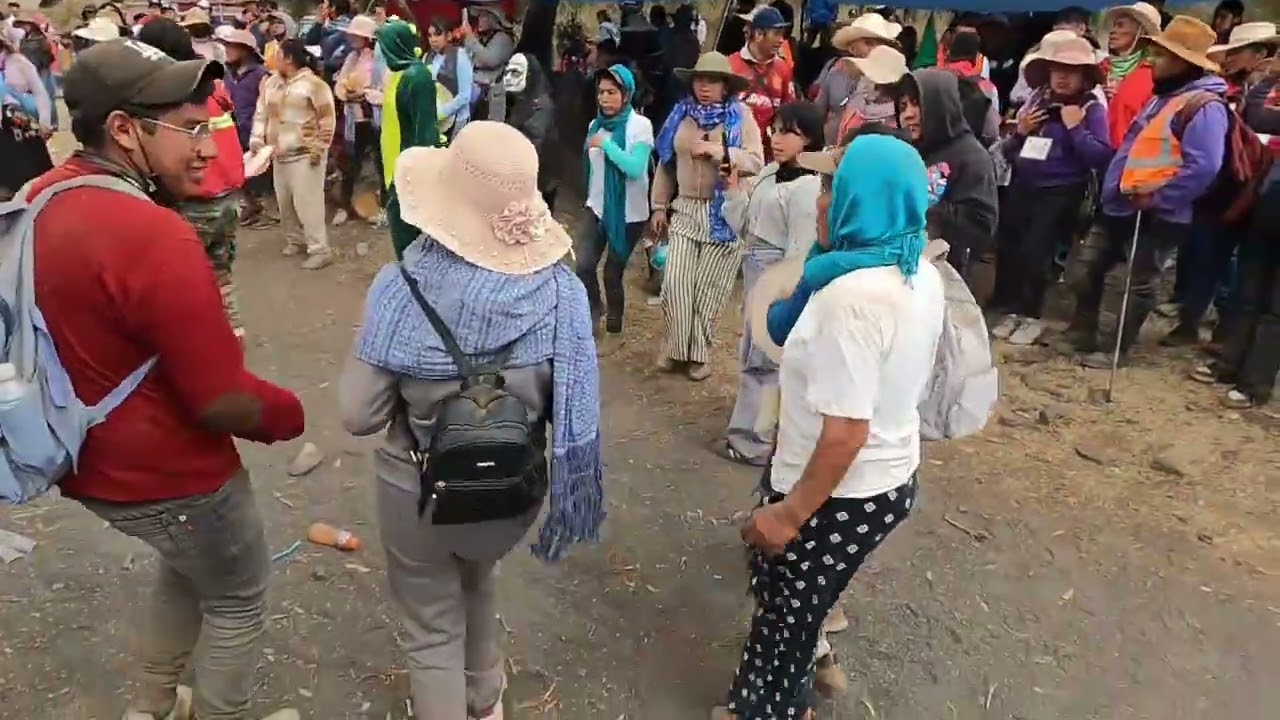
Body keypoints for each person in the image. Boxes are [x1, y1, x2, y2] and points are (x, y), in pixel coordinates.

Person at [34, 38, 304, 720]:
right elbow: (219, 399)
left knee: (187, 567)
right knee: (238, 592)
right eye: (189, 129)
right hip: (167, 472)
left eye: (209, 125)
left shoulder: (41, 196)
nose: (210, 149)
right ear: (124, 130)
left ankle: (152, 705)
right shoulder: (151, 233)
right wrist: (288, 414)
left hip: (84, 454)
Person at [339, 120, 604, 720]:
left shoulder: (401, 285)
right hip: (513, 487)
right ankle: (486, 703)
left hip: (420, 489)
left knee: (432, 625)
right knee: (478, 578)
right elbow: (574, 408)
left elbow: (358, 414)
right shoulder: (563, 293)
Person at [714, 131, 941, 720]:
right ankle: (810, 658)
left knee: (784, 616)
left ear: (866, 199)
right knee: (795, 598)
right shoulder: (916, 268)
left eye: (836, 187)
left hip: (839, 485)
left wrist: (789, 514)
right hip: (888, 479)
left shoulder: (851, 298)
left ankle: (767, 710)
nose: (821, 199)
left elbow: (845, 432)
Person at [1064, 17, 1228, 369]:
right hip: (1121, 204)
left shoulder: (1205, 107)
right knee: (1085, 268)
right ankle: (1084, 330)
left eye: (1161, 55)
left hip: (1157, 213)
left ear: (1184, 62)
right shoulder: (1165, 97)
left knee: (1137, 285)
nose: (1152, 61)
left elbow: (1204, 167)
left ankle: (1115, 351)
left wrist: (1158, 198)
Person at [1163, 21, 1280, 348]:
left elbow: (1259, 120)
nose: (1228, 58)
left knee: (1237, 263)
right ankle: (1192, 322)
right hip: (1227, 182)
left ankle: (1225, 333)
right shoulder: (1226, 87)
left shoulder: (1258, 90)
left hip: (1258, 186)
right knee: (1208, 254)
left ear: (1259, 54)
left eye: (1236, 52)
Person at [719, 101, 823, 467]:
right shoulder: (768, 174)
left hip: (778, 277)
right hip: (755, 270)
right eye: (775, 130)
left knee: (767, 359)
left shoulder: (808, 188)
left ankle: (757, 440)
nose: (778, 139)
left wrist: (786, 292)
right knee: (753, 353)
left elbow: (800, 247)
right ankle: (750, 432)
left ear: (809, 138)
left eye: (789, 132)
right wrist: (733, 189)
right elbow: (744, 224)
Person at [651, 52, 765, 381]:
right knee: (676, 283)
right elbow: (666, 161)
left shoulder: (741, 116)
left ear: (725, 86)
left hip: (724, 211)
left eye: (712, 81)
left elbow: (756, 161)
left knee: (709, 288)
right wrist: (659, 205)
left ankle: (699, 352)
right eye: (700, 80)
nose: (704, 87)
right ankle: (675, 347)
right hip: (686, 206)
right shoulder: (680, 116)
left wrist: (720, 152)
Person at [993, 36, 1112, 347]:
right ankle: (1016, 310)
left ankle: (1033, 315)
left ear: (1085, 77)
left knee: (1038, 253)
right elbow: (1009, 152)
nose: (1062, 76)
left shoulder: (1091, 109)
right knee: (1015, 250)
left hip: (1061, 190)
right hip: (1024, 184)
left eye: (1071, 71)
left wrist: (1076, 128)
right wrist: (1020, 132)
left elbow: (1101, 156)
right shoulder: (1038, 99)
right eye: (1057, 68)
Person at [137, 19, 248, 339]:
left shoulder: (167, 96)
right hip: (228, 198)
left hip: (196, 202)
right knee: (221, 274)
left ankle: (202, 344)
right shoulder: (211, 84)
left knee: (187, 281)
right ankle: (233, 336)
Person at [1198, 69, 1280, 407]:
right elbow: (1260, 120)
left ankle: (1254, 383)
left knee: (1275, 306)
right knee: (1249, 290)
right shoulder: (1270, 88)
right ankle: (1230, 363)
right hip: (1265, 196)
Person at [897, 69, 999, 286]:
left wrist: (922, 207)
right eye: (903, 107)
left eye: (917, 104)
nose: (908, 114)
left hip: (947, 279)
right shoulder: (913, 151)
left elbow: (981, 226)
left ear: (941, 104)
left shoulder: (971, 157)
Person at [575, 64, 653, 336]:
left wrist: (607, 145)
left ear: (626, 94)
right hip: (596, 208)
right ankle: (594, 312)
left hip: (628, 213)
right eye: (601, 92)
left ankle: (615, 325)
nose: (605, 98)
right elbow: (591, 169)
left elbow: (635, 168)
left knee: (611, 273)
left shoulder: (640, 126)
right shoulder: (594, 125)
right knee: (583, 265)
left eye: (612, 92)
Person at [251, 38, 337, 269]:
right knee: (285, 202)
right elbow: (261, 114)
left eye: (277, 55)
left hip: (305, 154)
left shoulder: (315, 85)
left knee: (308, 203)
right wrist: (257, 139)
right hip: (278, 154)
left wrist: (319, 150)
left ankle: (320, 249)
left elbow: (327, 120)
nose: (272, 59)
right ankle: (295, 241)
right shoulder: (271, 84)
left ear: (288, 59)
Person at [377, 18, 439, 260]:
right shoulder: (397, 75)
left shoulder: (418, 77)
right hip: (393, 163)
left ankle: (416, 279)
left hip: (408, 168)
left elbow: (425, 130)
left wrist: (416, 173)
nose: (380, 52)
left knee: (409, 231)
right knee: (399, 226)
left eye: (384, 46)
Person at [815, 12, 901, 145]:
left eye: (880, 44)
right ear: (852, 48)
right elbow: (818, 111)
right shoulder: (834, 72)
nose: (875, 50)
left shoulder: (893, 82)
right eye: (869, 44)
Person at [331, 14, 384, 227]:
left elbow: (383, 87)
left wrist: (366, 93)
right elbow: (340, 83)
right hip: (355, 118)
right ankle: (345, 205)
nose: (352, 38)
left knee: (380, 163)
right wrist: (346, 93)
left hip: (374, 117)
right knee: (350, 163)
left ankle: (382, 207)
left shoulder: (380, 58)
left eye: (357, 35)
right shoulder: (352, 58)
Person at [221, 27, 273, 227]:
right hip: (235, 132)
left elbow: (267, 105)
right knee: (242, 174)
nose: (227, 50)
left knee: (260, 175)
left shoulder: (261, 75)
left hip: (256, 132)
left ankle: (266, 211)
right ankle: (252, 206)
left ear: (245, 50)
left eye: (232, 47)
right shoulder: (228, 75)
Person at [728, 6, 795, 160]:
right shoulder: (730, 66)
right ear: (758, 34)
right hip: (736, 154)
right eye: (776, 34)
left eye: (782, 34)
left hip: (768, 156)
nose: (781, 40)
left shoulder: (783, 69)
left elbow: (789, 112)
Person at [498, 53, 558, 211]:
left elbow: (531, 143)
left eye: (515, 73)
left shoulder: (541, 107)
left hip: (539, 183)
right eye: (507, 72)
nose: (509, 78)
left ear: (530, 75)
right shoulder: (521, 99)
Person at [0, 25, 53, 200]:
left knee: (32, 179)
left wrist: (45, 121)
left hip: (22, 129)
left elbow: (39, 91)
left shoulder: (18, 62)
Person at [1102, 3, 1161, 148]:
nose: (1113, 31)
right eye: (1114, 26)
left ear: (1140, 32)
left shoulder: (1154, 73)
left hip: (1133, 154)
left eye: (1120, 26)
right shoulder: (1100, 68)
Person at [424, 16, 472, 142]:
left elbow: (465, 95)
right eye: (430, 35)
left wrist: (442, 112)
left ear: (449, 36)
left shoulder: (460, 56)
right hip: (434, 120)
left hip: (456, 120)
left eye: (438, 34)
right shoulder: (428, 56)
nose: (433, 39)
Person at [463, 5, 514, 121]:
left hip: (493, 97)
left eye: (484, 17)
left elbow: (488, 59)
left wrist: (470, 38)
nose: (480, 20)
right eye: (479, 17)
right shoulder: (482, 38)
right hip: (476, 95)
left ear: (493, 19)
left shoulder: (503, 38)